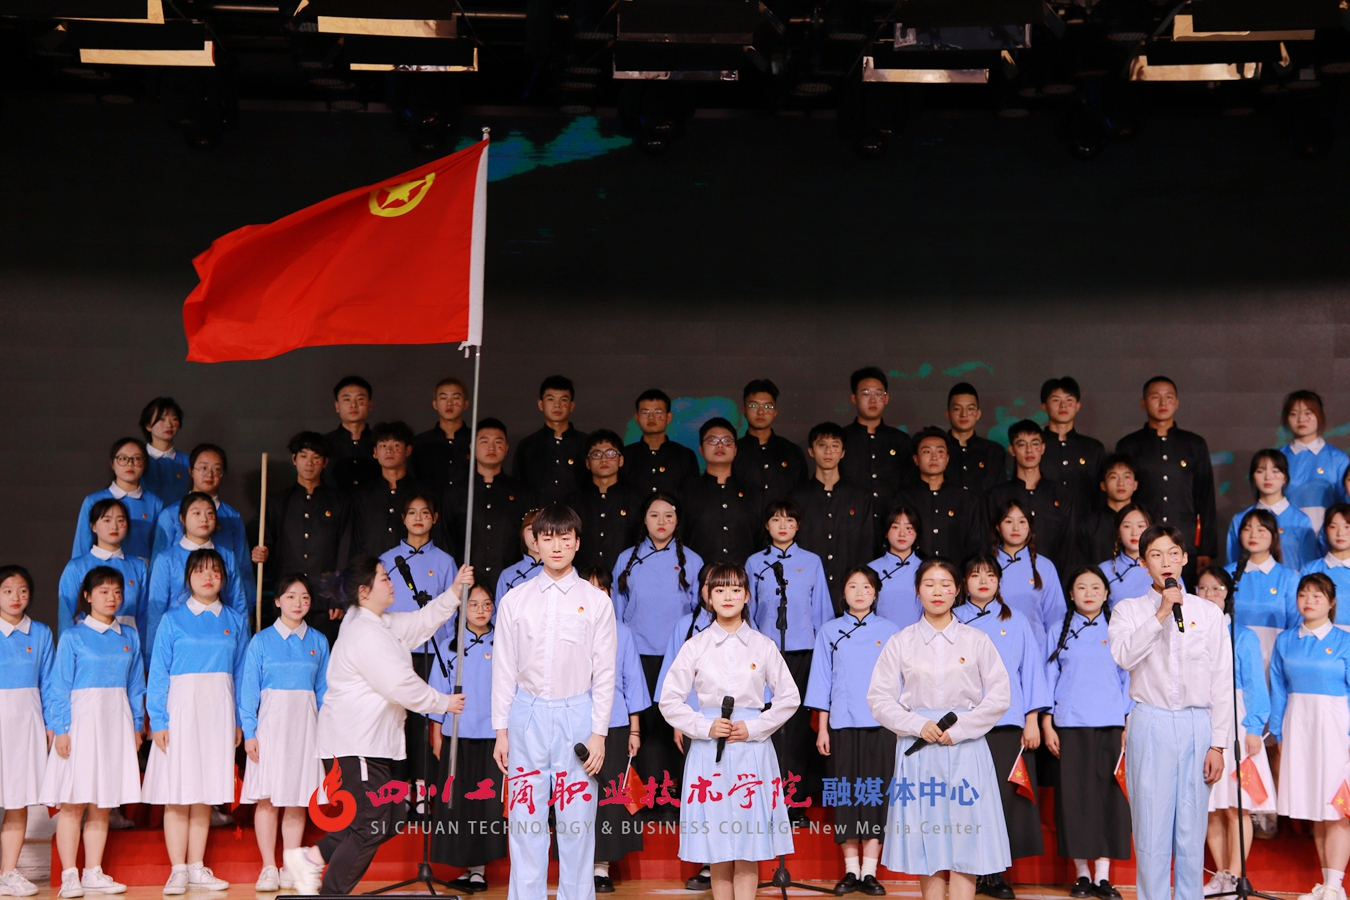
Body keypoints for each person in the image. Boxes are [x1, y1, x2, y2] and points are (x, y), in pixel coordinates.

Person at [284, 555, 466, 896]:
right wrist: (444, 703)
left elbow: (418, 623)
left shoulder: (377, 622)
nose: (391, 582)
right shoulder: (365, 633)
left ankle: (310, 858)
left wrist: (454, 592)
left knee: (392, 815)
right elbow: (399, 684)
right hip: (356, 745)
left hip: (369, 745)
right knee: (371, 825)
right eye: (383, 578)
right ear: (364, 591)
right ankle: (331, 893)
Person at [489, 503, 617, 900]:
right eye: (548, 538)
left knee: (576, 825)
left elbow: (605, 674)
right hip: (526, 715)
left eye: (565, 538)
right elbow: (504, 670)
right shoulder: (515, 600)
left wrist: (599, 734)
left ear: (577, 543)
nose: (556, 546)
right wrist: (501, 731)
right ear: (535, 543)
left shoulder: (596, 602)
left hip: (577, 714)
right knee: (525, 823)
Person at [867, 557, 1012, 900]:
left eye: (945, 584)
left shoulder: (976, 639)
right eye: (929, 584)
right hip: (920, 748)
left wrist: (960, 729)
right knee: (927, 838)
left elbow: (999, 695)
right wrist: (917, 724)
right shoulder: (901, 641)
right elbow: (879, 699)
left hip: (966, 748)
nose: (937, 591)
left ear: (957, 590)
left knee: (966, 839)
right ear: (918, 590)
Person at [659, 561, 800, 900]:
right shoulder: (695, 645)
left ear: (747, 596)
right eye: (719, 589)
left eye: (735, 589)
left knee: (749, 843)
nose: (727, 596)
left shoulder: (763, 645)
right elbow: (669, 701)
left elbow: (789, 698)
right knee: (717, 843)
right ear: (708, 597)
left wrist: (754, 727)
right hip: (710, 752)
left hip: (752, 750)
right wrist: (704, 726)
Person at [1108, 524, 1233, 900]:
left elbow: (1221, 681)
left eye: (1173, 553)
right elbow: (1124, 656)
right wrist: (1161, 613)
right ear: (1143, 563)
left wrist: (1219, 744)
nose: (1166, 561)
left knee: (1192, 831)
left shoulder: (1208, 613)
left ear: (1184, 558)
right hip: (1151, 720)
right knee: (1151, 828)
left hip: (1197, 723)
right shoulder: (1129, 610)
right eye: (1156, 555)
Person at [143, 548, 249, 895]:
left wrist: (238, 719)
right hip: (181, 710)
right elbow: (159, 672)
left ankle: (197, 866)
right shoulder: (172, 620)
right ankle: (177, 870)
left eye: (215, 571)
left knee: (205, 790)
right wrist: (158, 719)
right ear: (188, 577)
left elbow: (242, 674)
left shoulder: (234, 620)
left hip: (219, 710)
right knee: (177, 791)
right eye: (201, 570)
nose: (208, 577)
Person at [41, 567, 144, 899]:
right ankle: (70, 874)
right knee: (74, 802)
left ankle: (93, 872)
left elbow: (136, 685)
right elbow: (60, 687)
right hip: (81, 722)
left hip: (116, 721)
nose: (112, 598)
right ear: (87, 595)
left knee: (102, 802)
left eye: (117, 592)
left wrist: (137, 725)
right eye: (103, 591)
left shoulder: (129, 636)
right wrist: (62, 729)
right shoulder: (73, 636)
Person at [952, 555, 1051, 900]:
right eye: (975, 575)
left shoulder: (1016, 620)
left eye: (990, 576)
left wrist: (1032, 719)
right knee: (968, 797)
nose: (983, 581)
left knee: (1004, 799)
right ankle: (969, 871)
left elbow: (1031, 671)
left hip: (1008, 723)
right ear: (964, 583)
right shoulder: (954, 620)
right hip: (965, 724)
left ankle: (995, 872)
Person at [805, 567, 899, 896]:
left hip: (881, 725)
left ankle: (869, 872)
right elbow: (821, 681)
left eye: (867, 587)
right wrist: (822, 728)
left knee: (876, 797)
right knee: (844, 797)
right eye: (852, 586)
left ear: (876, 593)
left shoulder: (890, 631)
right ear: (842, 593)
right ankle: (851, 870)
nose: (860, 592)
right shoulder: (829, 631)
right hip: (842, 724)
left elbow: (899, 682)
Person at [1042, 566, 1132, 900]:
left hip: (1111, 724)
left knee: (1110, 799)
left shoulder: (1118, 629)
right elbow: (1048, 678)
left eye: (1096, 587)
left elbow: (1128, 679)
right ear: (1071, 594)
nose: (1089, 593)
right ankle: (1082, 874)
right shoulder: (1058, 630)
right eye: (1081, 587)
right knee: (1075, 799)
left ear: (1107, 593)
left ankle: (1103, 876)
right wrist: (1047, 723)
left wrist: (1127, 722)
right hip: (1070, 724)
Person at [236, 575, 330, 892]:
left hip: (305, 727)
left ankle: (291, 865)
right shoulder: (261, 641)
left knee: (296, 797)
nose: (298, 603)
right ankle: (268, 867)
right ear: (277, 601)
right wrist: (250, 732)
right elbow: (248, 691)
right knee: (268, 797)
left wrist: (325, 731)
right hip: (270, 727)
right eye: (290, 596)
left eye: (304, 597)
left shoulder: (318, 641)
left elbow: (324, 691)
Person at [611, 492, 702, 818]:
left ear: (678, 520)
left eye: (668, 515)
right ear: (644, 520)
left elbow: (699, 612)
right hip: (637, 655)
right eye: (654, 515)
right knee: (645, 728)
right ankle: (645, 798)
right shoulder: (627, 559)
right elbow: (616, 611)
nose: (661, 521)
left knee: (673, 727)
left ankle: (674, 798)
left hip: (678, 655)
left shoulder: (692, 560)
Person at [746, 499, 832, 816]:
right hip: (764, 655)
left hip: (802, 653)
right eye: (776, 519)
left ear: (798, 526)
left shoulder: (811, 561)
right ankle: (763, 799)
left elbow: (822, 612)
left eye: (790, 520)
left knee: (795, 728)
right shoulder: (755, 562)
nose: (783, 526)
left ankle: (794, 802)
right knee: (765, 722)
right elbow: (748, 612)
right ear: (766, 525)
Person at [1269, 573, 1350, 900]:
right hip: (1298, 724)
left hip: (1335, 726)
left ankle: (1335, 885)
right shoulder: (1286, 640)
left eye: (1318, 595)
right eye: (1303, 594)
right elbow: (1278, 689)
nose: (1309, 601)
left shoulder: (1344, 641)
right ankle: (1327, 884)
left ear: (1331, 603)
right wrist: (1278, 732)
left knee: (1337, 806)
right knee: (1317, 805)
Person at [1195, 567, 1274, 898]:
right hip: (1201, 717)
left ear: (1228, 594)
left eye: (1217, 588)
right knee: (1211, 805)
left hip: (1236, 720)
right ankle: (1221, 876)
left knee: (1235, 806)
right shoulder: (1190, 631)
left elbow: (1255, 685)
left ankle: (1236, 876)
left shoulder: (1242, 635)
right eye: (1203, 588)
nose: (1209, 594)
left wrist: (1254, 728)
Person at [429, 582, 505, 894]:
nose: (480, 610)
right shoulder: (450, 646)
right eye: (473, 604)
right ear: (461, 608)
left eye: (487, 604)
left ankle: (479, 869)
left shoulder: (503, 644)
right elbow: (437, 693)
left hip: (492, 737)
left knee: (486, 805)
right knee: (458, 804)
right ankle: (464, 865)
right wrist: (437, 734)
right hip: (456, 736)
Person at [581, 566, 650, 893]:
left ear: (610, 594)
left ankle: (601, 868)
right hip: (574, 723)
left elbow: (632, 682)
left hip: (615, 724)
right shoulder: (566, 627)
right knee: (576, 795)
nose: (597, 594)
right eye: (590, 588)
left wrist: (635, 731)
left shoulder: (623, 632)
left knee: (610, 797)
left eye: (602, 589)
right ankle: (577, 864)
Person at [1115, 377, 1218, 578]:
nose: (1163, 403)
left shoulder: (1194, 444)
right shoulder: (1129, 445)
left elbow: (1205, 499)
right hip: (1141, 543)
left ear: (1177, 402)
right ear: (1143, 402)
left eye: (1169, 397)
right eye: (1155, 397)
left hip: (1184, 542)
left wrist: (1206, 549)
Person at [251, 432, 350, 638]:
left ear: (325, 462)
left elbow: (344, 550)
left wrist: (338, 597)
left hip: (324, 602)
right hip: (287, 600)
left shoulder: (339, 502)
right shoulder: (278, 501)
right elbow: (268, 545)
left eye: (316, 458)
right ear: (294, 459)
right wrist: (262, 555)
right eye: (304, 456)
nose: (309, 463)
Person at [0, 566, 55, 899]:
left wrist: (51, 725)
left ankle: (8, 873)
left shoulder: (41, 633)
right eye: (7, 591)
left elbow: (49, 682)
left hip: (26, 722)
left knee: (17, 801)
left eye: (22, 591)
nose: (16, 597)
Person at [145, 493, 249, 664]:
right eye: (196, 513)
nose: (204, 519)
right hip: (180, 642)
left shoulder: (227, 556)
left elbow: (238, 603)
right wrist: (151, 658)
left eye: (210, 513)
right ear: (182, 519)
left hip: (220, 642)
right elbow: (156, 609)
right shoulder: (167, 559)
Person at [443, 419, 536, 591]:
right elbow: (446, 541)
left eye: (498, 442)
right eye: (484, 442)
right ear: (472, 447)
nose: (491, 448)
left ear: (506, 449)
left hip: (513, 585)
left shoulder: (522, 493)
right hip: (466, 587)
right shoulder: (455, 493)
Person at [791, 422, 876, 605]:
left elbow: (867, 547)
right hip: (807, 593)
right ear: (811, 451)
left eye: (835, 446)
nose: (828, 451)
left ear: (843, 452)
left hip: (848, 596)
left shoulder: (860, 497)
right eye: (822, 445)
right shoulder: (797, 498)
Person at [985, 419, 1080, 570]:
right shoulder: (997, 495)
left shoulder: (1061, 494)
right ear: (1012, 450)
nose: (1029, 450)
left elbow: (1069, 546)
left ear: (1043, 448)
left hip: (1052, 577)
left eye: (1035, 444)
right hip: (1008, 575)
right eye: (1022, 444)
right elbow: (990, 543)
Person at [150, 444, 249, 587]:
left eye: (217, 469)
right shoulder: (171, 514)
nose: (210, 474)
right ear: (191, 470)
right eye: (203, 468)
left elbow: (243, 567)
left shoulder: (232, 517)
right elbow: (158, 568)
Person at [680, 418, 764, 565]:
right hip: (699, 576)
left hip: (745, 576)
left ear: (735, 450)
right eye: (712, 440)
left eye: (727, 441)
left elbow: (763, 541)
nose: (720, 445)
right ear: (701, 450)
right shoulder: (686, 492)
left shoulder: (753, 493)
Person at [59, 499, 148, 638]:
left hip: (127, 644)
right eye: (107, 520)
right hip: (87, 644)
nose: (114, 526)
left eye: (120, 520)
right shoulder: (76, 567)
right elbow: (66, 617)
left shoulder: (138, 566)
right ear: (93, 526)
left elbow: (144, 616)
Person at [1226, 508, 1301, 672]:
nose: (1253, 535)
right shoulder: (1227, 575)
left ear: (1274, 536)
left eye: (1261, 530)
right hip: (1232, 661)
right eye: (1247, 529)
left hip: (1274, 662)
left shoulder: (1288, 578)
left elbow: (1295, 625)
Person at [840, 367, 913, 534]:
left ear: (886, 398)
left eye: (879, 394)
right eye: (865, 393)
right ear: (853, 398)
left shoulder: (901, 441)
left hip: (893, 530)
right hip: (849, 528)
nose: (873, 400)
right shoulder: (841, 439)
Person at [990, 499, 1065, 654]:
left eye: (1022, 521)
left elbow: (1056, 619)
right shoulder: (985, 567)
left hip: (1036, 650)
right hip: (994, 650)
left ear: (1030, 527)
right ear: (998, 526)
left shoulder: (1045, 567)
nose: (1016, 528)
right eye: (1008, 521)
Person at [1226, 450, 1320, 573]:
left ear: (1285, 477)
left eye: (1275, 471)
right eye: (1260, 471)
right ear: (1252, 476)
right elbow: (1232, 563)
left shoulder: (1301, 520)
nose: (1267, 477)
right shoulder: (1240, 519)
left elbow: (1309, 567)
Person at [895, 427, 980, 563]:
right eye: (927, 452)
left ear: (947, 459)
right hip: (915, 573)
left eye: (940, 452)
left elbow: (975, 545)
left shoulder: (965, 499)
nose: (934, 457)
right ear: (916, 459)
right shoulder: (902, 499)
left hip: (956, 573)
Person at [72, 438, 164, 562]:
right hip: (102, 570)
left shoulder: (154, 503)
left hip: (141, 571)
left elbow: (158, 548)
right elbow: (81, 547)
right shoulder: (93, 501)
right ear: (112, 463)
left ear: (145, 464)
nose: (130, 464)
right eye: (123, 458)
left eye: (137, 459)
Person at [566, 430, 643, 574]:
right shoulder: (572, 503)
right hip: (581, 580)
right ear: (587, 463)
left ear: (621, 460)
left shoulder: (636, 501)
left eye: (611, 453)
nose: (604, 459)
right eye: (596, 454)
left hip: (625, 579)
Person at [351, 421, 425, 558]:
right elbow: (357, 542)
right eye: (383, 445)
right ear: (375, 452)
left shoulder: (423, 493)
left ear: (408, 450)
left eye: (396, 445)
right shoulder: (363, 495)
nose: (389, 451)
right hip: (373, 569)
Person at [513, 375, 588, 506]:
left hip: (577, 518)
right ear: (540, 404)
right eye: (551, 399)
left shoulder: (586, 444)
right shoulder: (527, 446)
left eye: (563, 400)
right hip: (538, 517)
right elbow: (518, 489)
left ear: (572, 406)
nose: (557, 405)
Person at [1281, 391, 1349, 534]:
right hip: (1288, 535)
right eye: (1294, 414)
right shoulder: (1278, 458)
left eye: (1308, 413)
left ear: (1319, 416)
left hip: (1330, 537)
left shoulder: (1338, 458)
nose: (1301, 419)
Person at [734, 379, 808, 505]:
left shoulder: (792, 452)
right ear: (744, 410)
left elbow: (803, 495)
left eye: (767, 406)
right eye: (753, 406)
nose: (760, 412)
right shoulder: (733, 451)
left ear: (775, 413)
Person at [1040, 377, 1106, 514]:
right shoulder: (1034, 447)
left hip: (1084, 524)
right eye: (1056, 400)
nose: (1063, 406)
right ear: (1044, 406)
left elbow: (1101, 495)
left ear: (1077, 406)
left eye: (1069, 400)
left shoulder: (1093, 448)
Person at [623, 389, 699, 498]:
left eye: (658, 412)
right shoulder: (625, 456)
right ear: (637, 418)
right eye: (645, 412)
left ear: (668, 417)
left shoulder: (685, 456)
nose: (651, 417)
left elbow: (692, 497)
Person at [944, 383, 1007, 496]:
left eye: (970, 409)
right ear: (948, 414)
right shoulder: (937, 451)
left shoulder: (994, 452)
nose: (964, 414)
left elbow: (1000, 497)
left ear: (978, 414)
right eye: (957, 409)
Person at [412, 377, 473, 492]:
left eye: (456, 398)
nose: (449, 403)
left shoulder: (477, 440)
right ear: (435, 404)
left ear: (466, 404)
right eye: (443, 398)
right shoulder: (421, 442)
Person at [867, 506, 923, 629]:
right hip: (881, 635)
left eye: (908, 528)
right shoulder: (871, 569)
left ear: (916, 533)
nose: (902, 533)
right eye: (895, 527)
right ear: (886, 532)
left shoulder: (927, 569)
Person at [323, 376, 380, 492]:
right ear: (337, 406)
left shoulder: (382, 443)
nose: (353, 405)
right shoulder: (323, 444)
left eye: (360, 399)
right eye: (347, 399)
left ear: (370, 404)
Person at [1083, 456, 1142, 569]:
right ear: (1103, 485)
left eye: (1126, 477)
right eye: (1114, 477)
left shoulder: (1147, 522)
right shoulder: (1090, 524)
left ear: (1135, 485)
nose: (1121, 483)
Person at [1100, 504, 1153, 610]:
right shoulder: (1104, 570)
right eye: (1127, 526)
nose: (1134, 533)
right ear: (1118, 531)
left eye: (1140, 526)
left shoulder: (1164, 566)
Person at [140, 397, 190, 508]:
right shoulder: (136, 460)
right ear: (148, 425)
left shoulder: (189, 462)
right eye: (162, 419)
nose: (169, 425)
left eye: (174, 419)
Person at [1302, 503, 1350, 609]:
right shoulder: (1310, 570)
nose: (1340, 533)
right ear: (1325, 530)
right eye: (1333, 527)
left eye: (1347, 527)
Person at [496, 511, 543, 602]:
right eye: (530, 529)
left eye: (542, 528)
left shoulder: (564, 571)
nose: (536, 534)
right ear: (522, 533)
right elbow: (500, 609)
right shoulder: (508, 575)